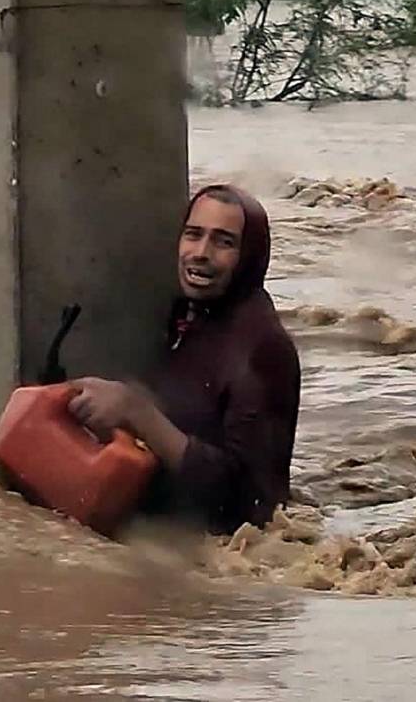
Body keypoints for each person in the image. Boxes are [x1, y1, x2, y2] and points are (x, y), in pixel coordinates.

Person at [68, 184, 300, 534]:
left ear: (249, 257)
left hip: (222, 558)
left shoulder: (264, 350)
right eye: (193, 235)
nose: (201, 252)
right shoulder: (189, 316)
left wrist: (138, 412)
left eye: (224, 242)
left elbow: (250, 504)